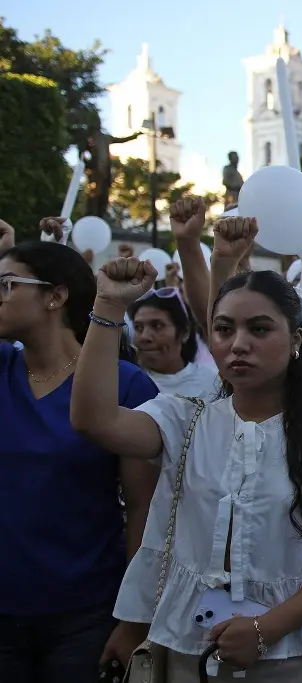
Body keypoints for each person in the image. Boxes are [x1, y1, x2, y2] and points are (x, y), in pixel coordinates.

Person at [68, 217, 302, 681]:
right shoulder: (183, 419)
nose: (238, 344)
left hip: (300, 656)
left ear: (296, 340)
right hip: (190, 650)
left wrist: (264, 628)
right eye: (223, 329)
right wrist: (108, 307)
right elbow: (94, 420)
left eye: (259, 329)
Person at [0, 232, 159, 681]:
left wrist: (133, 617)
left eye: (7, 283)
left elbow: (144, 506)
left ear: (55, 296)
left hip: (84, 613)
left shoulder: (125, 385)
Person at [126, 286, 218, 397]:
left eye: (157, 326)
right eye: (138, 327)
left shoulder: (212, 381)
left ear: (184, 332)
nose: (145, 337)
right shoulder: (127, 385)